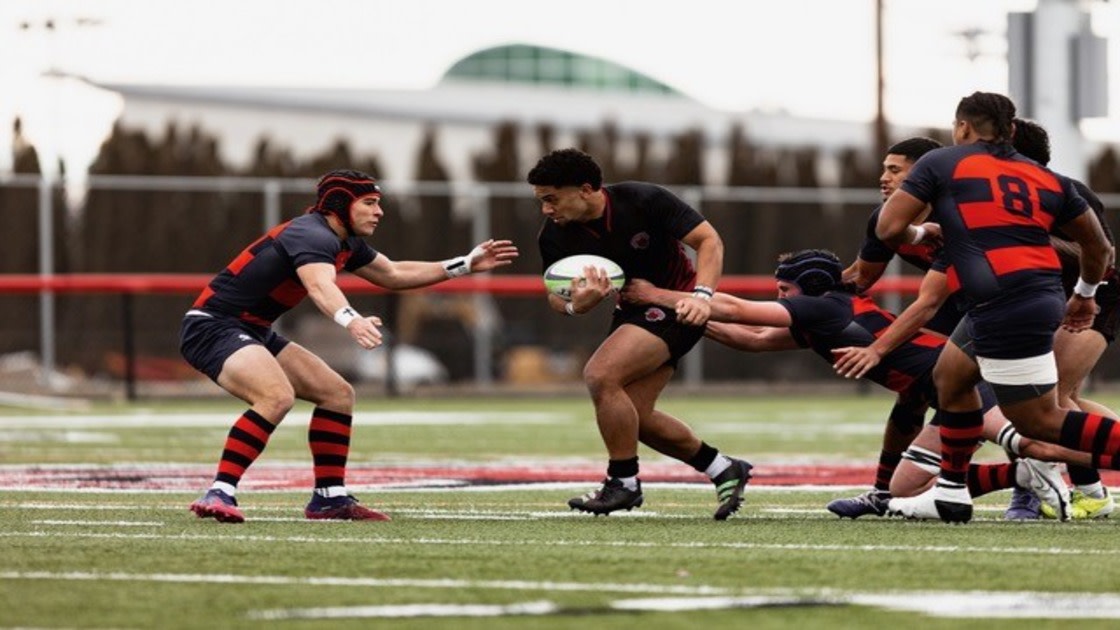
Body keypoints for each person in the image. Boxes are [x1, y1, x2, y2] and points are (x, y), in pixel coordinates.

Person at [622, 249, 1077, 518]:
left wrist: (657, 295)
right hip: (933, 395)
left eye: (785, 290)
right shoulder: (824, 314)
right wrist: (687, 317)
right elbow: (753, 339)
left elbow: (740, 312)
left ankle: (1088, 466)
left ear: (814, 286)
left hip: (964, 389)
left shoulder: (824, 307)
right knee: (906, 490)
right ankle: (1016, 475)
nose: (780, 297)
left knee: (1039, 443)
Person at [181, 169, 518, 523]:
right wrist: (351, 319)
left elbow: (394, 274)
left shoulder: (344, 240)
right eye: (369, 203)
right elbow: (319, 285)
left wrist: (463, 264)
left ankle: (330, 498)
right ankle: (220, 490)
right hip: (212, 326)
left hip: (253, 329)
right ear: (339, 205)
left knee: (337, 394)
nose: (379, 211)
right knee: (276, 396)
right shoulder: (311, 233)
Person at [853, 91, 1117, 523]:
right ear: (1010, 132)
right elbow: (1100, 245)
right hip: (1029, 295)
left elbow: (888, 227)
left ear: (961, 128)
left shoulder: (946, 165)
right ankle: (951, 493)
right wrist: (1084, 292)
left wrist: (924, 233)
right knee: (950, 377)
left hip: (1010, 298)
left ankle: (1060, 488)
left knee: (1041, 419)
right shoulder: (1045, 179)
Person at [527, 148, 752, 520]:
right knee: (633, 416)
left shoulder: (643, 199)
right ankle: (722, 468)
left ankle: (624, 484)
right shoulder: (555, 234)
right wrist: (575, 306)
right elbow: (555, 295)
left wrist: (701, 296)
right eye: (541, 201)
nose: (546, 210)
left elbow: (709, 241)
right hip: (632, 311)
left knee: (600, 374)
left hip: (677, 306)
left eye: (551, 199)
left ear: (586, 189)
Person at [827, 136, 949, 518]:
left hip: (1010, 307)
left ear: (925, 175)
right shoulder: (886, 219)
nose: (883, 178)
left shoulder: (957, 215)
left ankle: (1039, 485)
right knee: (917, 390)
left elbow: (928, 302)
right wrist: (811, 287)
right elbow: (860, 279)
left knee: (1030, 409)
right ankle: (882, 492)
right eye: (884, 168)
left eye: (894, 170)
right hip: (957, 305)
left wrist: (877, 349)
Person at [1009, 118, 1118, 519]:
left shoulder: (1064, 190)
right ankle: (1083, 489)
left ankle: (1088, 491)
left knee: (1049, 400)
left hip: (1096, 298)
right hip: (1048, 301)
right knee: (1059, 399)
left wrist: (1029, 241)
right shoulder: (995, 191)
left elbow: (1104, 255)